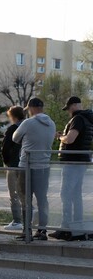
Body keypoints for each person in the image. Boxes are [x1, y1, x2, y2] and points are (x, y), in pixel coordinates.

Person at [50, 97, 93, 240]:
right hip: (80, 162)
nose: (68, 111)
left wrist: (60, 137)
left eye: (69, 108)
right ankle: (77, 228)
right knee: (76, 196)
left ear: (74, 105)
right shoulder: (87, 118)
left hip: (72, 162)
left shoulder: (78, 119)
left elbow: (70, 139)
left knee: (66, 195)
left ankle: (66, 228)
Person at [13, 97, 56, 241]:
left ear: (31, 108)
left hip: (26, 166)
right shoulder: (52, 124)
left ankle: (27, 231)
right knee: (42, 200)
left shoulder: (28, 122)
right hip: (44, 166)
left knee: (25, 199)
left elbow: (15, 138)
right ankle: (42, 230)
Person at [2, 106, 25, 231]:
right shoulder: (28, 127)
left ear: (13, 116)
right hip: (25, 164)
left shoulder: (13, 128)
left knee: (14, 193)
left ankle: (17, 220)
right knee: (24, 193)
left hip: (14, 164)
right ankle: (28, 219)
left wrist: (7, 162)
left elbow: (5, 147)